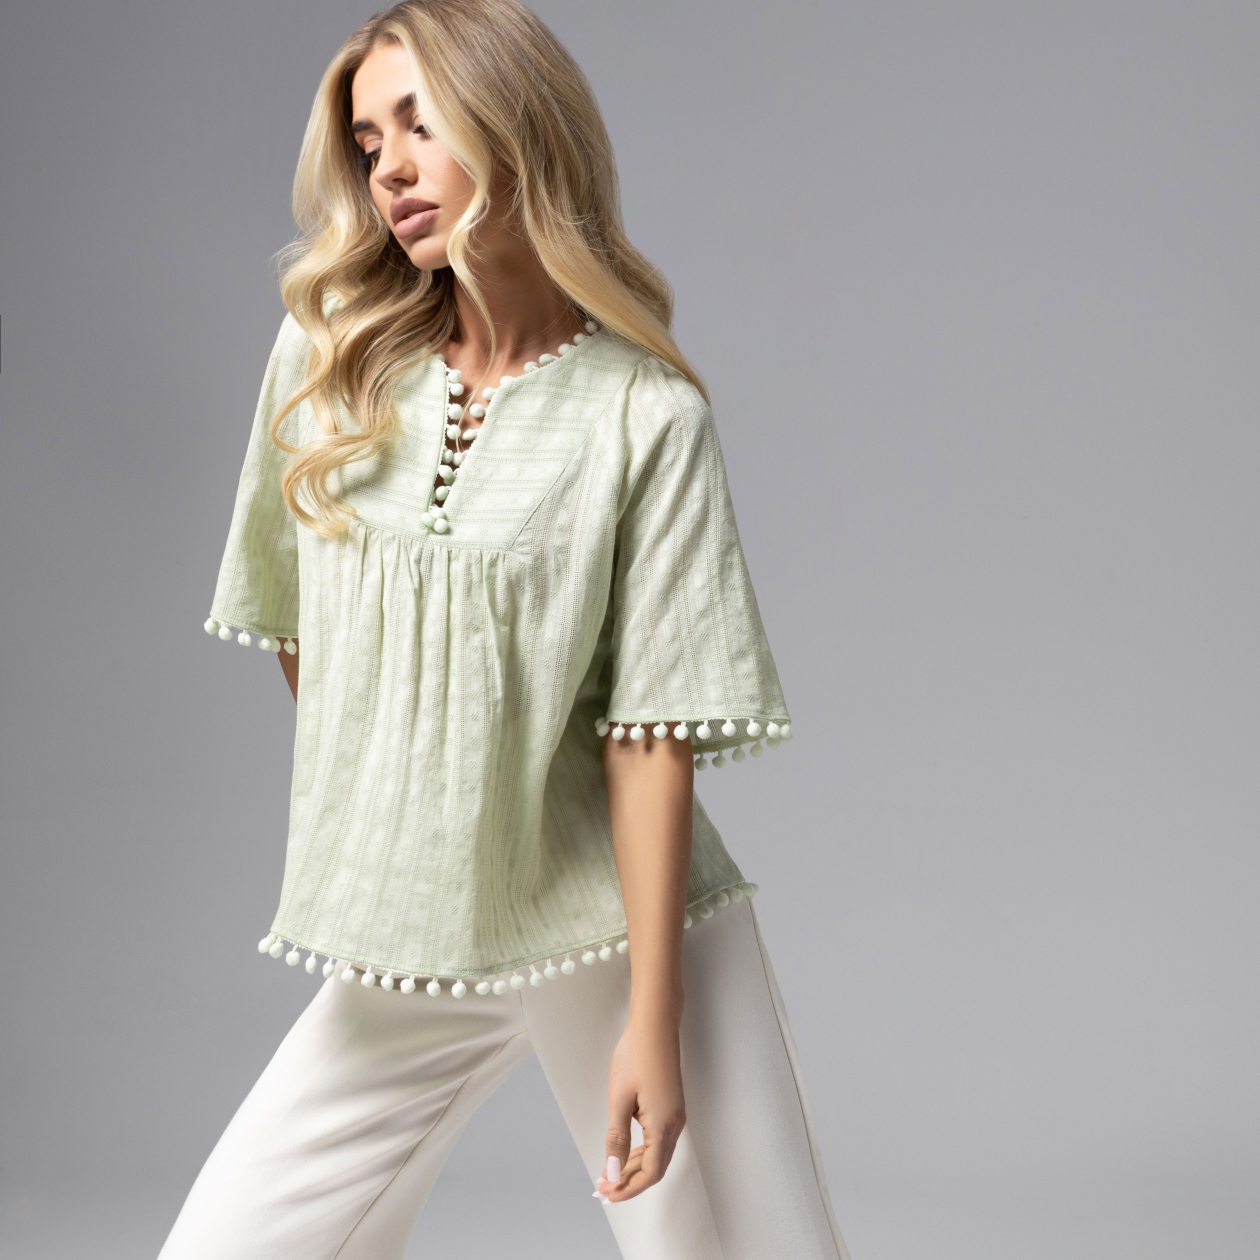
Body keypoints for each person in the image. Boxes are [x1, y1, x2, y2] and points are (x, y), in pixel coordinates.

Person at [160, 2, 849, 1257]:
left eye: (419, 123)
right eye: (369, 143)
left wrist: (653, 1019)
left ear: (514, 122)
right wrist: (423, 807)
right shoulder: (328, 360)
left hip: (619, 922)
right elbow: (302, 635)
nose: (391, 169)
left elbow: (649, 733)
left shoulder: (644, 416)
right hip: (420, 927)